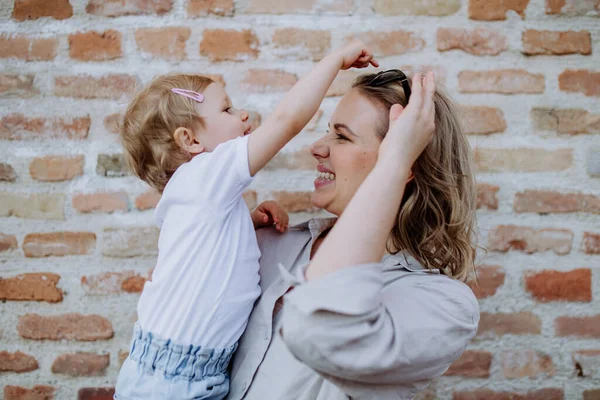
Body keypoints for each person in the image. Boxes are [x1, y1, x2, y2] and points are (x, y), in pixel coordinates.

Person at [113, 40, 379, 399]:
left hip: (190, 372)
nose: (241, 115)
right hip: (172, 380)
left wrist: (245, 222)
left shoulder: (201, 195)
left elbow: (204, 255)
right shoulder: (203, 176)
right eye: (226, 109)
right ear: (189, 140)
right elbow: (287, 121)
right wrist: (334, 61)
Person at [228, 70, 480, 400]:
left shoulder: (444, 305)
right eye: (328, 133)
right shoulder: (268, 242)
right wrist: (228, 240)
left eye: (342, 137)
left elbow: (320, 330)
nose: (317, 148)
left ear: (406, 166)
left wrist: (396, 161)